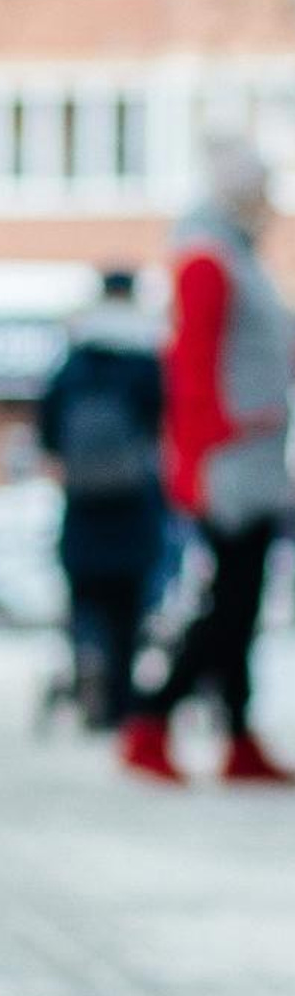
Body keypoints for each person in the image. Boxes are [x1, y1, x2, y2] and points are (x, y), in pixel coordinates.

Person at [120, 135, 294, 784]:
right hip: (228, 464)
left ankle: (237, 734)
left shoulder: (240, 260)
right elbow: (189, 369)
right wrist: (197, 461)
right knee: (226, 605)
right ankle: (152, 720)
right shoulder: (207, 260)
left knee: (240, 604)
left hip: (253, 456)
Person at [37, 269, 167, 732]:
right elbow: (162, 424)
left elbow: (48, 434)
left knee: (85, 605)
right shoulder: (144, 359)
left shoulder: (73, 364)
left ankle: (87, 674)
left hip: (83, 507)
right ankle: (119, 699)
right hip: (133, 507)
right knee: (129, 609)